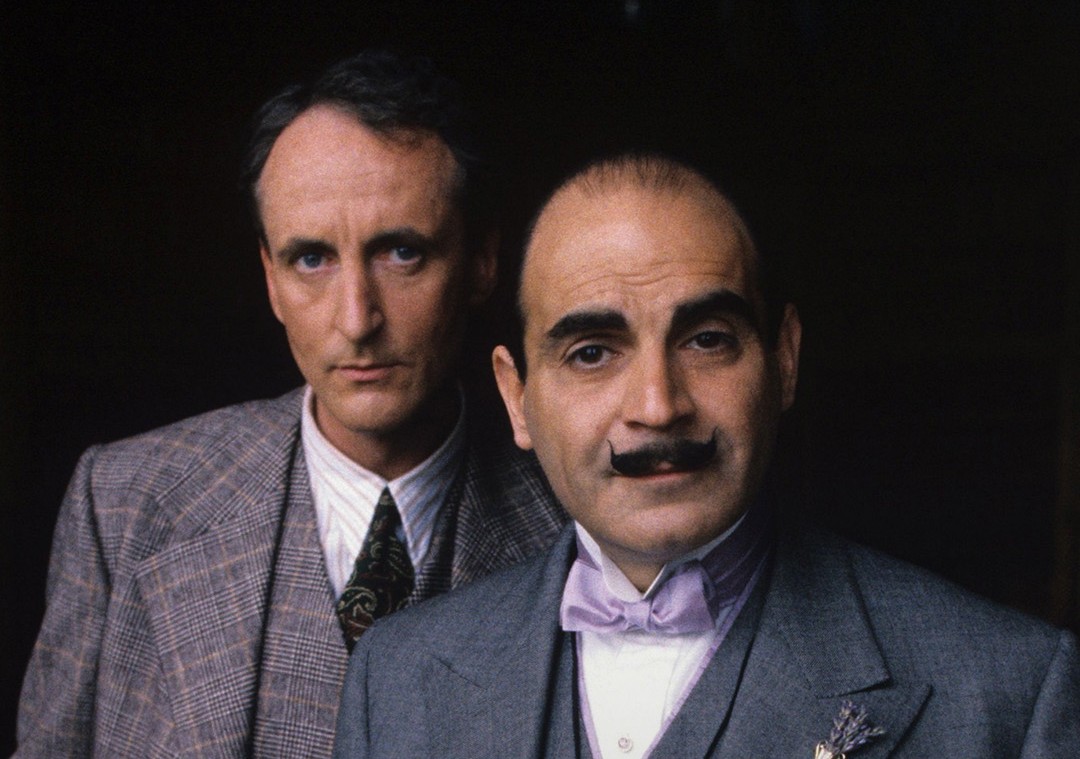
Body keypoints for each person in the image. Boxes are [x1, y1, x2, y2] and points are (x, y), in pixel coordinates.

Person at [333, 153, 1080, 758]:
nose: (658, 405)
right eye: (592, 352)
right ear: (516, 396)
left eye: (707, 340)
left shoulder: (1010, 693)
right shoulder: (393, 682)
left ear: (784, 360)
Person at [15, 51, 566, 758]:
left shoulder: (577, 521)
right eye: (312, 259)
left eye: (401, 252)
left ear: (482, 261)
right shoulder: (124, 505)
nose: (357, 318)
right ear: (271, 280)